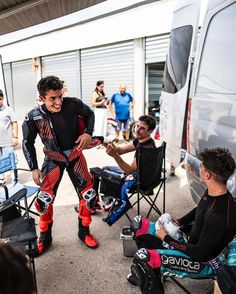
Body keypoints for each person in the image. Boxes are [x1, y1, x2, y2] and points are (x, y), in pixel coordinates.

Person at [127, 147, 236, 294]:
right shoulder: (215, 191)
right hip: (192, 243)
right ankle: (151, 275)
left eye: (201, 166)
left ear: (208, 175)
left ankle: (148, 275)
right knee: (139, 225)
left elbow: (199, 254)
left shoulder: (218, 215)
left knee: (145, 259)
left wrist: (165, 237)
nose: (199, 169)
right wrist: (179, 221)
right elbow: (200, 209)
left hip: (203, 262)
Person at [22, 75, 99, 256]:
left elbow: (90, 114)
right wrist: (33, 167)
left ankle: (84, 233)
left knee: (88, 196)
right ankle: (44, 239)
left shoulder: (73, 104)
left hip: (75, 155)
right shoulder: (33, 116)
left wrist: (88, 133)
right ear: (41, 98)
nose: (58, 102)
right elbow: (27, 143)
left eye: (60, 96)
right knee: (44, 200)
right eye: (52, 99)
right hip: (53, 158)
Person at [102, 115, 156, 225]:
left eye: (142, 128)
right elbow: (121, 150)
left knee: (104, 174)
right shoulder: (141, 140)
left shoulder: (146, 149)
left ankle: (111, 202)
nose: (137, 130)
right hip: (140, 174)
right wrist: (103, 142)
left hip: (141, 180)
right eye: (137, 126)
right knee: (104, 169)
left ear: (150, 131)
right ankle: (109, 201)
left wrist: (115, 156)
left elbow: (129, 170)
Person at [0, 89, 18, 157]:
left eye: (0, 99)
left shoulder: (8, 110)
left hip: (7, 144)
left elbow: (14, 123)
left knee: (9, 165)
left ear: (3, 98)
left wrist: (15, 137)